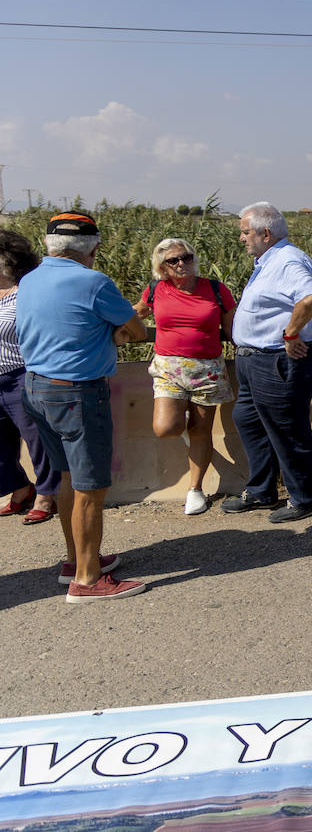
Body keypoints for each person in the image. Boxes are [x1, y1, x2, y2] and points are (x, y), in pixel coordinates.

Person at [17, 213, 146, 602]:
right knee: (91, 486)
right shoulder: (93, 282)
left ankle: (76, 561)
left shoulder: (30, 278)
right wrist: (107, 334)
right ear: (92, 248)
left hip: (36, 387)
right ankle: (88, 581)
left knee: (66, 477)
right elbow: (137, 332)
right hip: (77, 393)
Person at [222, 202, 312, 522]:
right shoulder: (269, 261)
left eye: (245, 231)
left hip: (278, 361)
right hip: (255, 361)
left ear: (265, 233)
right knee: (249, 421)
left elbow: (309, 296)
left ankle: (304, 498)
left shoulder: (288, 260)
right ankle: (261, 491)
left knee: (287, 429)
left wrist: (291, 334)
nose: (241, 238)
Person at [133, 238, 237, 516]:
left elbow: (233, 330)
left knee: (201, 431)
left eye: (186, 257)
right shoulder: (156, 289)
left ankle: (196, 489)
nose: (182, 264)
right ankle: (183, 424)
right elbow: (136, 316)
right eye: (173, 260)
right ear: (161, 266)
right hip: (168, 368)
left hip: (208, 369)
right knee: (166, 427)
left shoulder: (215, 289)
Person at [0, 230, 58, 525]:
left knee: (37, 440)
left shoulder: (26, 292)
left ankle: (47, 495)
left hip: (20, 375)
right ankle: (21, 488)